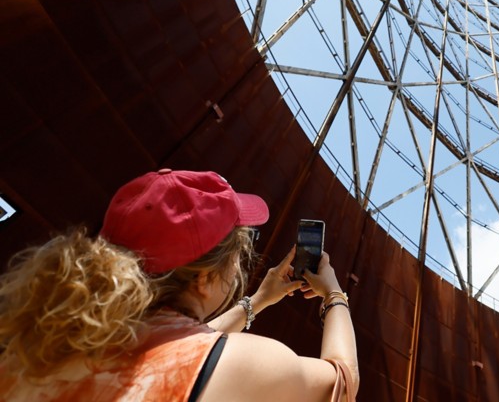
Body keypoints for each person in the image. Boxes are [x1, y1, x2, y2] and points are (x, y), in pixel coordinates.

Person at [0, 169, 358, 401]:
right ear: (203, 278)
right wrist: (334, 294)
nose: (237, 269)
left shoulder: (37, 347)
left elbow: (184, 347)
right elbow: (342, 380)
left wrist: (260, 299)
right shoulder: (249, 364)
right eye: (236, 256)